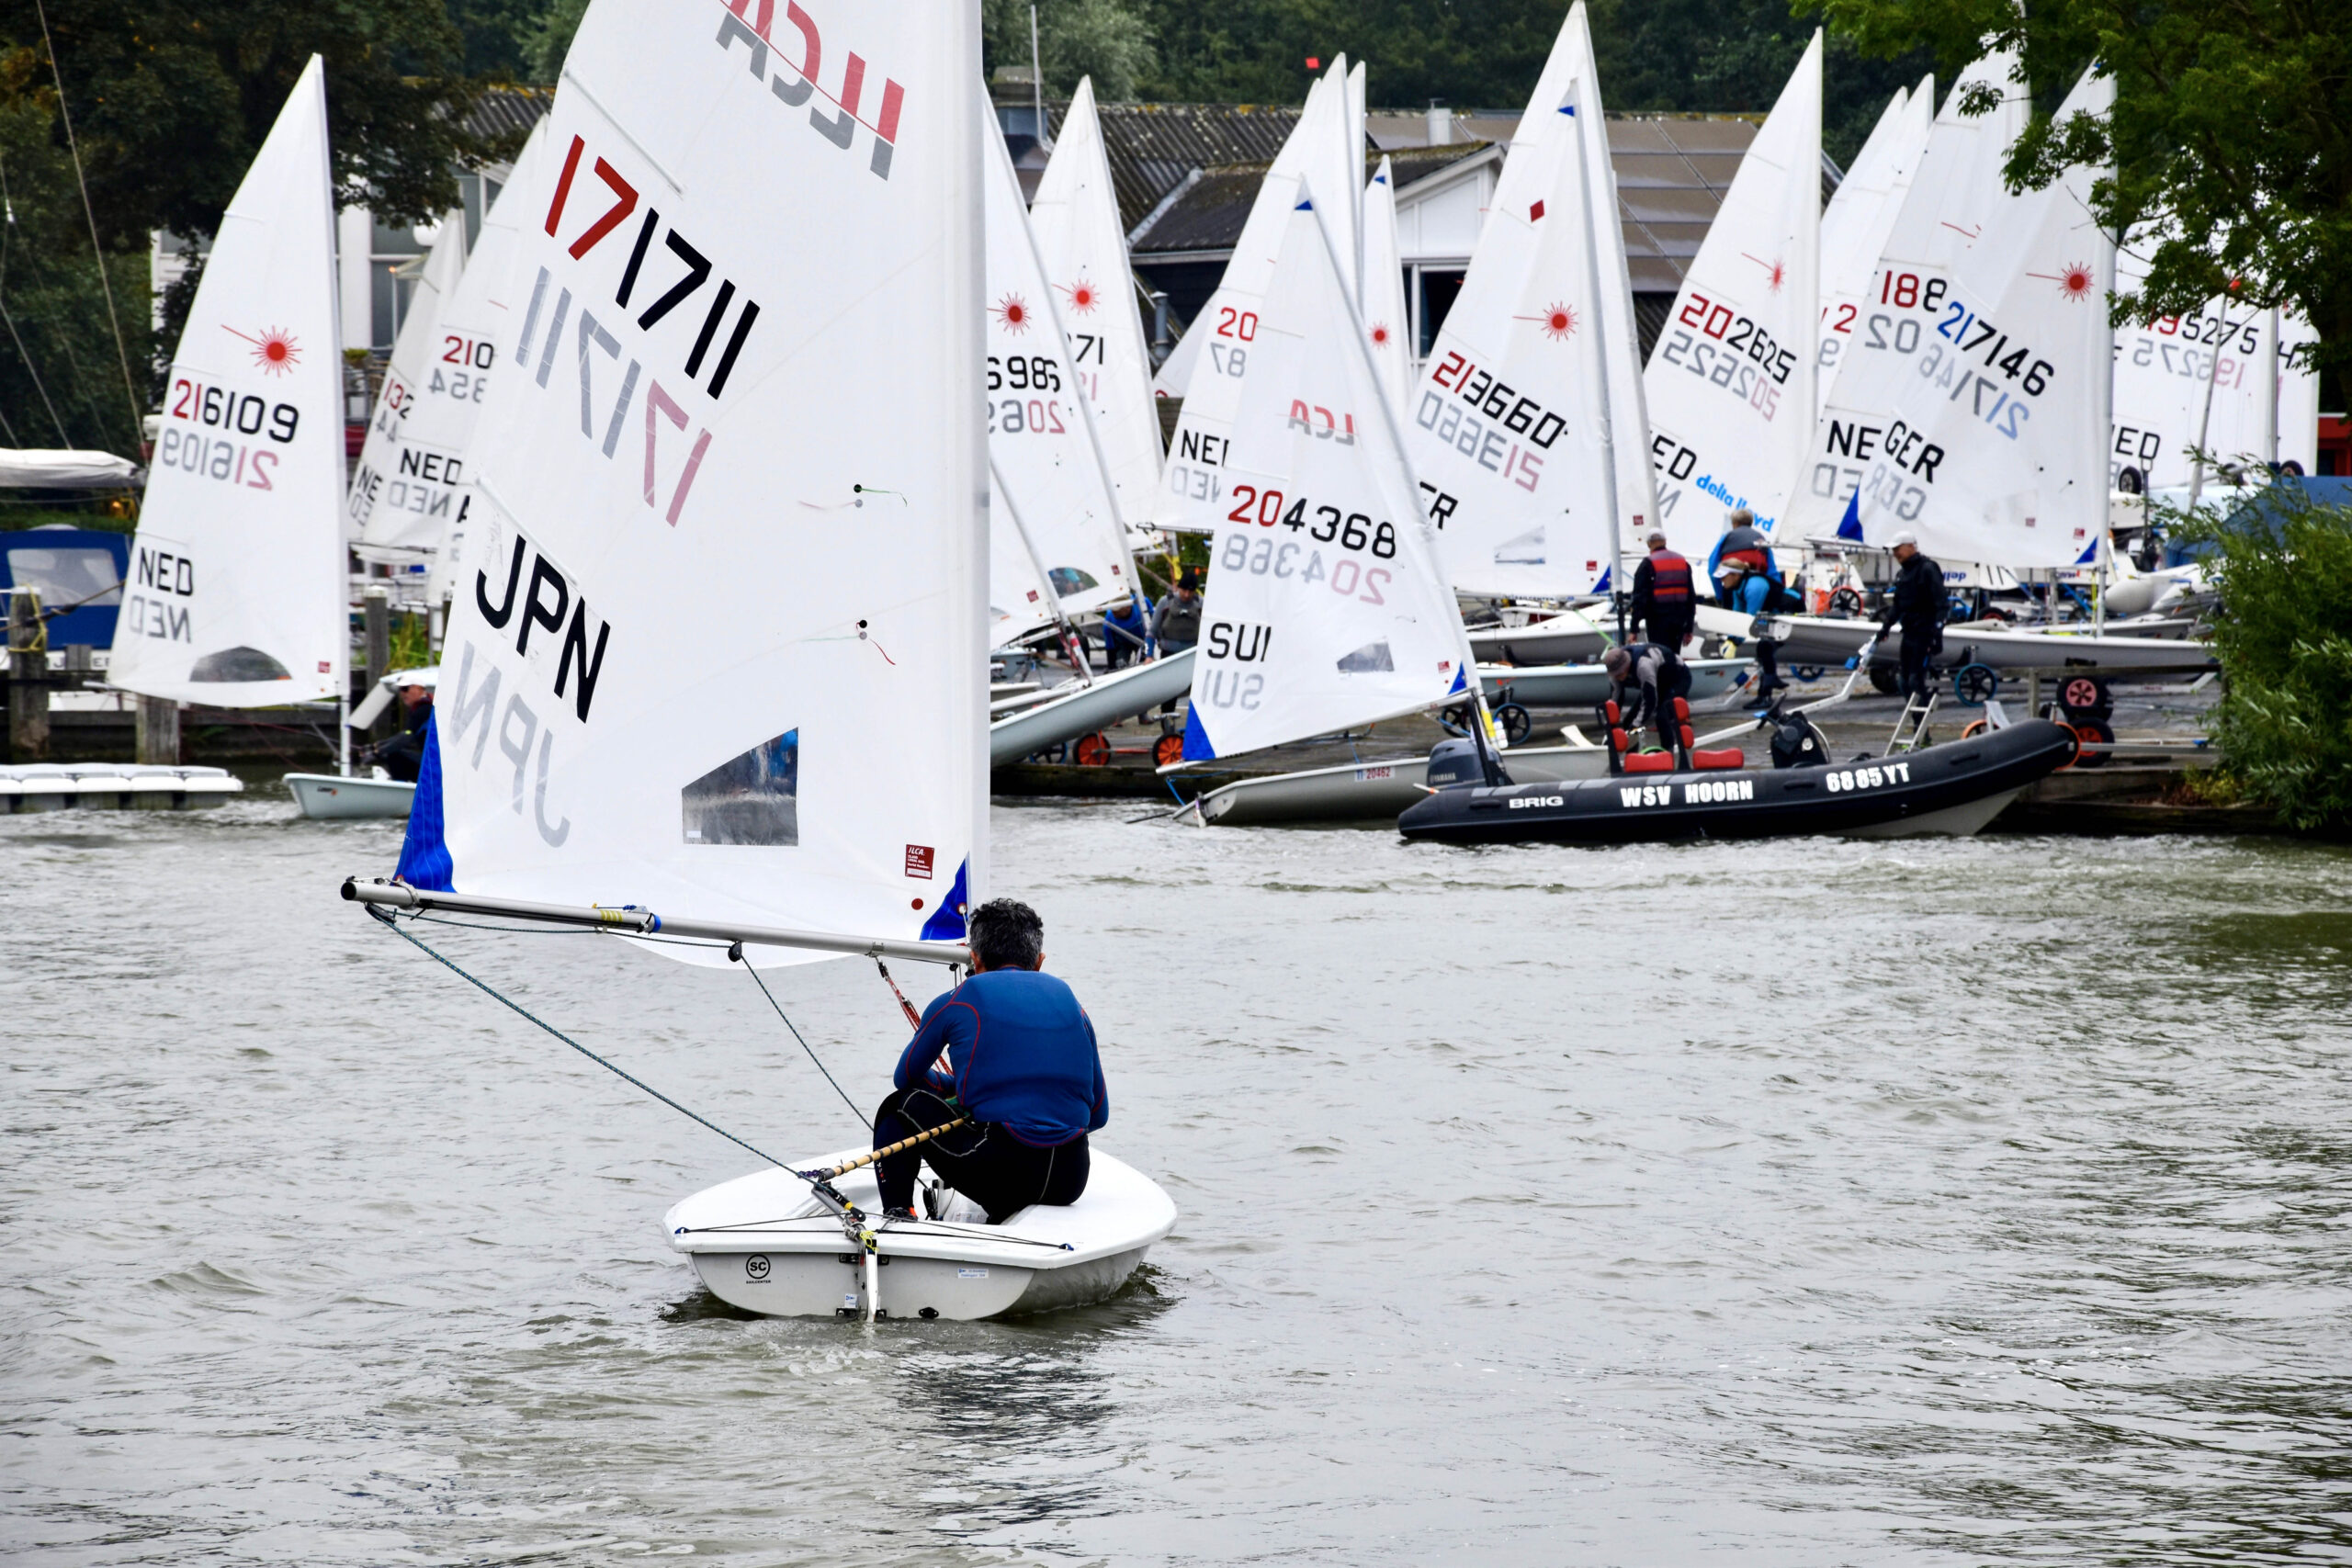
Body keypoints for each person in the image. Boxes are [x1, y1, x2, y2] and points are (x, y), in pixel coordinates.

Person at [871, 898, 1107, 1224]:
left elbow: (907, 1079)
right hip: (1069, 1178)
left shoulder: (961, 998)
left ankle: (899, 1215)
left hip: (1000, 1174)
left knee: (898, 1106)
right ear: (1039, 962)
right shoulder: (1073, 1004)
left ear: (975, 959)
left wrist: (957, 1089)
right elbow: (1098, 1115)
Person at [1878, 530, 1945, 704]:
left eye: (1898, 549)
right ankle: (1917, 718)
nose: (1895, 554)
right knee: (1903, 682)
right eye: (1893, 550)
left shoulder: (1928, 569)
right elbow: (1897, 606)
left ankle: (1922, 718)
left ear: (1910, 547)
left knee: (1915, 681)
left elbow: (1942, 604)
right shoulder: (1902, 574)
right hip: (1908, 634)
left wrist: (1937, 633)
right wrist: (1885, 628)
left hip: (1925, 635)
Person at [1719, 559, 1785, 701]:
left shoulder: (1755, 586)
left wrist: (1735, 642)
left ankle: (1766, 693)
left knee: (1764, 646)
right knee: (1764, 646)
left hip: (1790, 614)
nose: (1721, 580)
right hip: (1771, 617)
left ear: (1735, 575)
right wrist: (1730, 638)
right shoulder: (1738, 587)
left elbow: (1750, 620)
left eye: (1724, 577)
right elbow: (1738, 615)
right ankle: (1768, 686)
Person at [1627, 530, 1695, 654]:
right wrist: (1689, 628)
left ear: (1649, 544)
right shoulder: (1682, 562)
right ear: (1665, 541)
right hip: (1679, 620)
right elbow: (1691, 597)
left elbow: (1639, 599)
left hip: (1657, 621)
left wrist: (1634, 629)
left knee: (1660, 656)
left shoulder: (1647, 564)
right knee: (1674, 656)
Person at [1601, 641, 1690, 732]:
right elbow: (1615, 699)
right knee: (1628, 722)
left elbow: (1650, 702)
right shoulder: (1614, 672)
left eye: (1619, 673)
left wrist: (1635, 726)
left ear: (1627, 665)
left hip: (1677, 677)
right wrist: (1610, 724)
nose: (1617, 677)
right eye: (1615, 675)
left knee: (1662, 718)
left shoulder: (1643, 666)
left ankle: (1673, 740)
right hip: (1656, 680)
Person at [368, 678, 435, 782]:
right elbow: (404, 735)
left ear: (418, 688)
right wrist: (376, 746)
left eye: (405, 689)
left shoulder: (425, 709)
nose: (402, 693)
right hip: (430, 759)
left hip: (434, 763)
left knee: (395, 754)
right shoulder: (422, 708)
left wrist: (378, 751)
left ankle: (401, 786)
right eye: (400, 690)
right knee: (397, 752)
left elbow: (406, 737)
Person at [1707, 507, 1772, 602]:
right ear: (1751, 523)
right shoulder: (1760, 539)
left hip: (1732, 587)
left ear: (1734, 524)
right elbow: (1772, 570)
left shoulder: (1727, 537)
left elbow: (1712, 567)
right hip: (1758, 588)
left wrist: (1720, 594)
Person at [1150, 573, 1202, 655]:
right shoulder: (1165, 602)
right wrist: (1149, 656)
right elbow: (1152, 631)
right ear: (1179, 588)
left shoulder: (1201, 604)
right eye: (1184, 590)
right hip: (1168, 653)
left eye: (1191, 591)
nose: (1187, 595)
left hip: (1193, 654)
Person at [1099, 593, 1152, 670]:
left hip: (1142, 640)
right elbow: (1110, 646)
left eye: (1116, 609)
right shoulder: (1109, 618)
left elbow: (1155, 622)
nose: (1113, 611)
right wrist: (1112, 668)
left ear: (1128, 607)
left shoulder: (1143, 602)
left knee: (1144, 661)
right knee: (1119, 663)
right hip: (1123, 643)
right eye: (1112, 609)